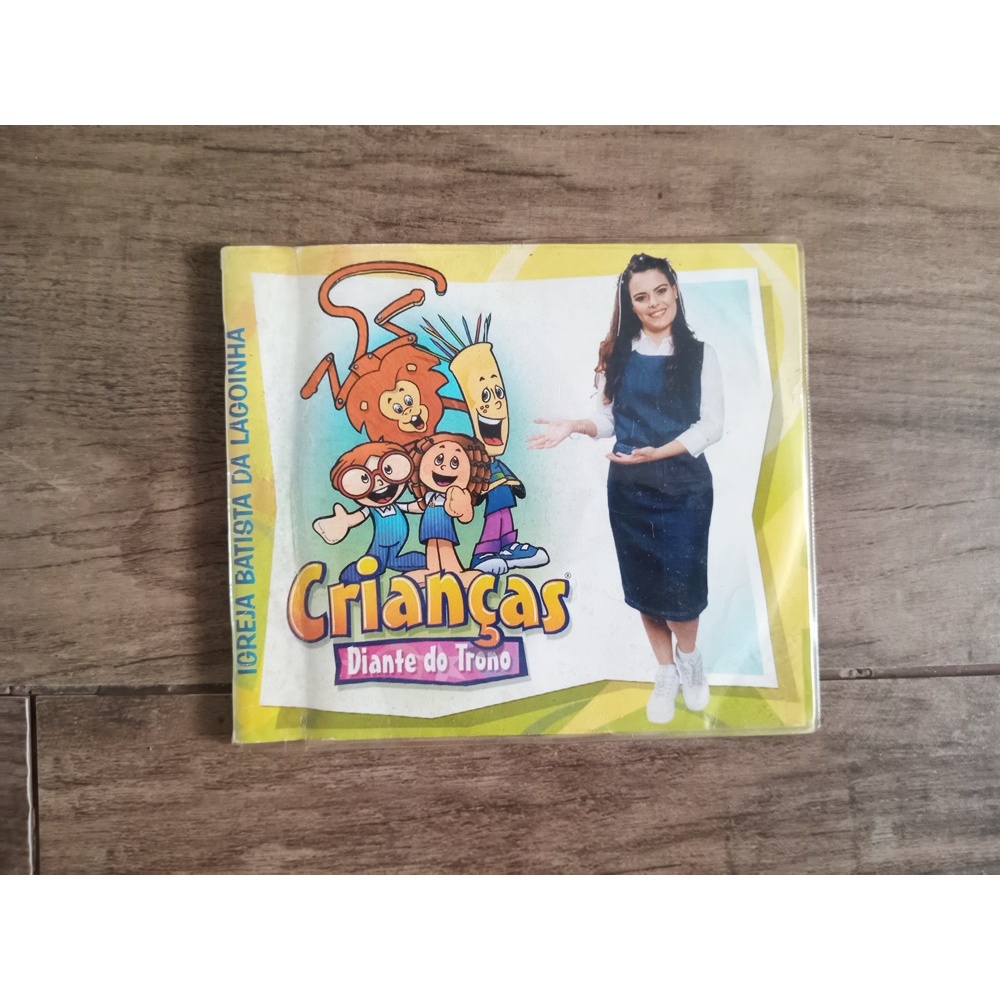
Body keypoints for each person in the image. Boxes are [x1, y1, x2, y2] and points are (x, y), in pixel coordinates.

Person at [527, 253, 724, 724]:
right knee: (646, 588)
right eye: (641, 297)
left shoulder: (701, 355)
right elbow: (608, 421)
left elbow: (712, 425)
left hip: (685, 491)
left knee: (683, 594)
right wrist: (576, 425)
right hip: (630, 491)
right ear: (630, 304)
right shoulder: (615, 355)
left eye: (660, 291)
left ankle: (690, 660)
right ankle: (665, 671)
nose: (654, 303)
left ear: (675, 290)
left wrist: (660, 452)